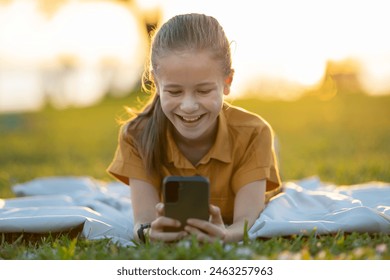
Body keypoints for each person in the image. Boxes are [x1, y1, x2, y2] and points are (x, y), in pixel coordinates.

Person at [107, 13, 281, 244]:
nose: (188, 106)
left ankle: (271, 156)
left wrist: (226, 235)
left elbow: (246, 223)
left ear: (227, 82)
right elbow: (143, 224)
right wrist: (150, 233)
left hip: (252, 144)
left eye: (203, 91)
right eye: (175, 92)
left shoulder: (255, 133)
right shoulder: (135, 135)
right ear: (156, 84)